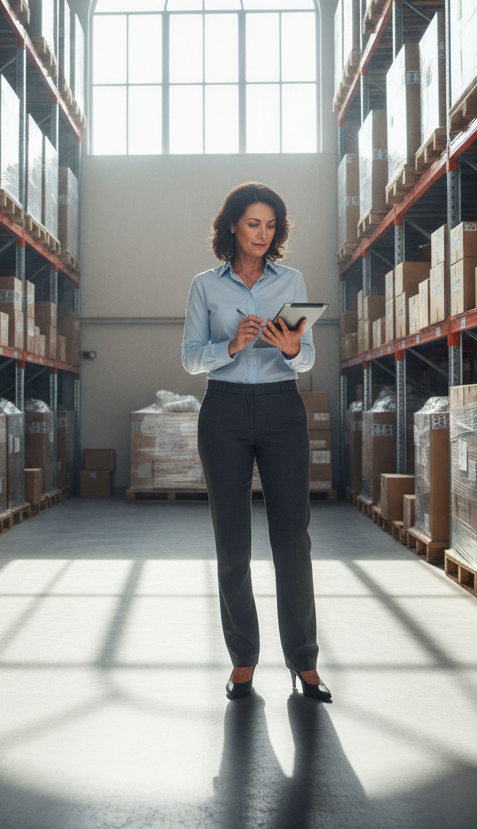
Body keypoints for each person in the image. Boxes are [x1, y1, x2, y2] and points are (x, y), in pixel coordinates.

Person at [181, 182, 331, 703]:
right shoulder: (205, 285)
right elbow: (191, 357)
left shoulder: (290, 280)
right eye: (253, 224)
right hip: (222, 410)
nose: (263, 234)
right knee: (232, 542)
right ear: (232, 228)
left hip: (281, 408)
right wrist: (232, 344)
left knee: (293, 541)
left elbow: (307, 356)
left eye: (271, 225)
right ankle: (243, 659)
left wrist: (292, 348)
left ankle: (304, 662)